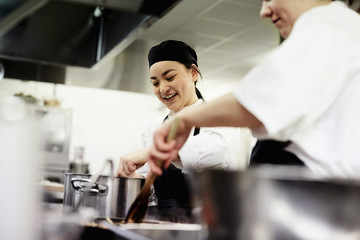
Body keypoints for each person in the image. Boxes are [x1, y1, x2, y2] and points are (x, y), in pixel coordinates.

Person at [146, 0, 360, 179]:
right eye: (155, 82)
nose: (264, 11)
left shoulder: (328, 25)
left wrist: (183, 120)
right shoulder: (344, 29)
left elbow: (259, 103)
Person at [116, 40, 248, 222]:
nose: (163, 89)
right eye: (155, 83)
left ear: (193, 73)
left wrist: (152, 152)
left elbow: (211, 152)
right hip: (164, 225)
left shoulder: (217, 118)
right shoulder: (153, 127)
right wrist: (137, 181)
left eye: (170, 78)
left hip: (208, 225)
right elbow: (155, 189)